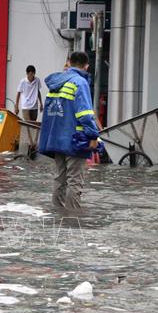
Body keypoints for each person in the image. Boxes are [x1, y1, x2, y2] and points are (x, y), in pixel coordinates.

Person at [38, 51, 99, 211]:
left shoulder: (57, 83)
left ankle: (57, 214)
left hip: (56, 139)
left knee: (59, 179)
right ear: (87, 66)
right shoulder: (80, 83)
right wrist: (93, 135)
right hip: (75, 140)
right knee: (75, 181)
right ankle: (72, 219)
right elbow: (85, 113)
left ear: (69, 63)